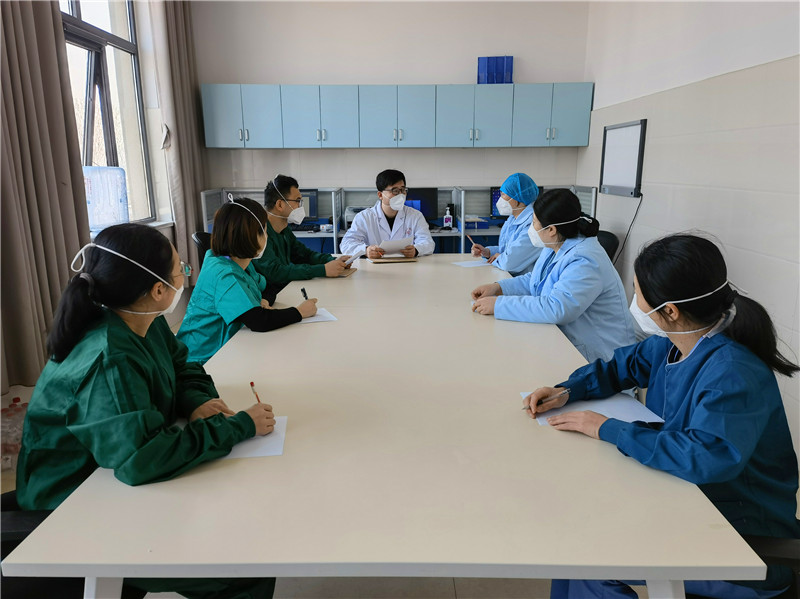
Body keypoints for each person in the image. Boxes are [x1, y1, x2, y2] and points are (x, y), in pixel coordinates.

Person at [525, 234, 800, 599]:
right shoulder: (673, 344)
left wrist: (607, 428)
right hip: (685, 502)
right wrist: (568, 390)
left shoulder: (733, 373)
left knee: (591, 562)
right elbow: (620, 367)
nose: (633, 301)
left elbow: (705, 457)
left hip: (742, 540)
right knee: (574, 542)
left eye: (637, 292)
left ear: (670, 311)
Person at [16, 223, 277, 598]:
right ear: (158, 290)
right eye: (180, 269)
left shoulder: (141, 320)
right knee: (243, 569)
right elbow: (141, 459)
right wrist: (239, 426)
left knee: (236, 520)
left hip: (111, 476)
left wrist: (197, 400)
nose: (185, 274)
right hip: (73, 506)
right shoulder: (110, 356)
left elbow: (183, 366)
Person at [471, 188, 636, 363]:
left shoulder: (585, 259)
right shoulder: (557, 243)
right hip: (565, 340)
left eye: (534, 222)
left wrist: (499, 305)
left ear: (551, 229)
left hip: (601, 357)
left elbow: (557, 308)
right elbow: (536, 280)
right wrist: (499, 288)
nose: (531, 228)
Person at [177, 198, 318, 364]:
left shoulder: (241, 262)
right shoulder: (223, 273)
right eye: (265, 231)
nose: (267, 236)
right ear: (251, 236)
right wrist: (299, 312)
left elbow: (268, 287)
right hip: (203, 360)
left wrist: (264, 300)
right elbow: (259, 321)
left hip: (231, 348)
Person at [252, 174, 352, 306]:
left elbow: (304, 254)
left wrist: (332, 260)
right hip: (268, 299)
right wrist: (323, 270)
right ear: (280, 204)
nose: (300, 206)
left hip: (285, 292)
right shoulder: (260, 233)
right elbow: (275, 272)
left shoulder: (284, 229)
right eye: (297, 201)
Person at [340, 168, 435, 259]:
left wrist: (416, 250)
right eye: (395, 191)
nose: (401, 195)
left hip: (407, 265)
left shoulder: (415, 215)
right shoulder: (364, 217)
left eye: (403, 190)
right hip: (374, 267)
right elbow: (346, 244)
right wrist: (366, 250)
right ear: (380, 195)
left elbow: (428, 242)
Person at [471, 173, 542, 275]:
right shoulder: (512, 218)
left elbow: (509, 262)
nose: (500, 199)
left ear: (518, 199)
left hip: (522, 280)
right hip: (508, 275)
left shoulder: (533, 223)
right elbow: (507, 249)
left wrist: (500, 257)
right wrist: (487, 252)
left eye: (503, 194)